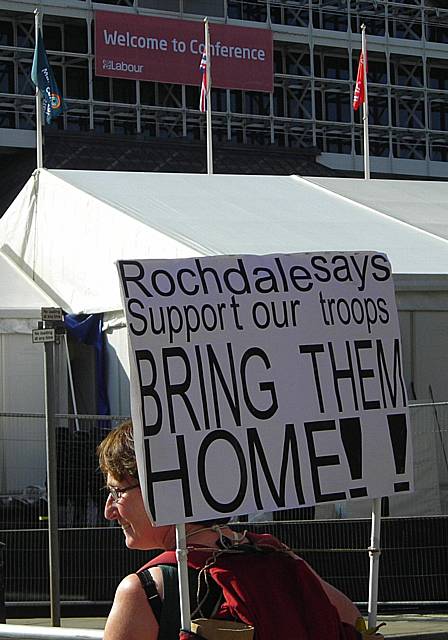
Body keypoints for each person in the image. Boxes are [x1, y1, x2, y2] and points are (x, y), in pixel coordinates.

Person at [98, 420, 365, 640]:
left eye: (117, 492)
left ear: (160, 490)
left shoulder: (143, 592)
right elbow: (352, 619)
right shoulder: (274, 554)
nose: (109, 510)